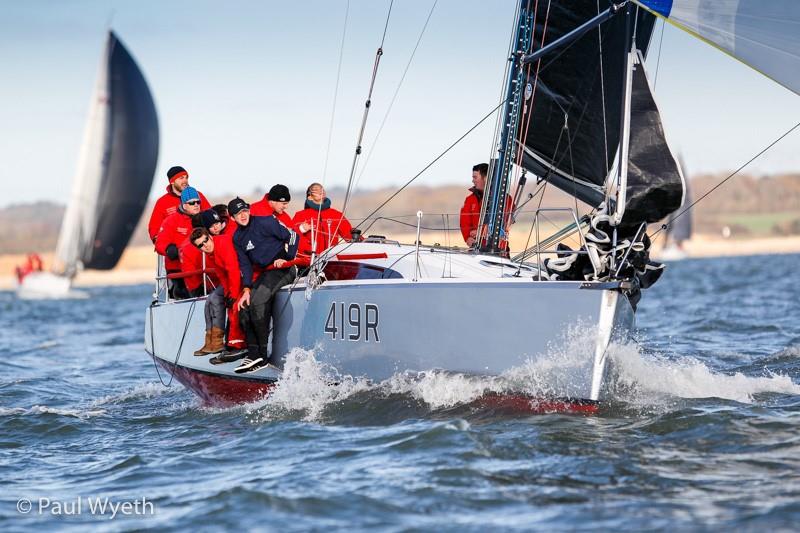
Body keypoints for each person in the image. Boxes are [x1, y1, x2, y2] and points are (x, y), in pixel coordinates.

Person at [231, 197, 299, 373]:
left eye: (245, 211)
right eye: (238, 214)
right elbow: (245, 265)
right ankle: (253, 353)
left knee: (259, 300)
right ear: (233, 218)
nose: (243, 215)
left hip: (284, 269)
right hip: (266, 273)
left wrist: (288, 258)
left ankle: (262, 354)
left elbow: (292, 235)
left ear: (249, 210)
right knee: (244, 306)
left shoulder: (265, 222)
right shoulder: (237, 237)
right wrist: (246, 289)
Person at [155, 186, 203, 299]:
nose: (196, 205)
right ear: (184, 205)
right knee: (181, 293)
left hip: (201, 269)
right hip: (178, 269)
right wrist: (168, 249)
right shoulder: (171, 221)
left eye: (198, 202)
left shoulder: (204, 219)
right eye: (192, 203)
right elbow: (160, 242)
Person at [147, 166, 210, 243]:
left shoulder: (197, 195)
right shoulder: (162, 202)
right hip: (173, 248)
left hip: (198, 244)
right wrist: (159, 241)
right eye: (181, 178)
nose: (185, 181)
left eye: (186, 177)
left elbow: (210, 215)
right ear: (172, 181)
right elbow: (154, 227)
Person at [292, 183, 353, 262]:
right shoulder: (300, 215)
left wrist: (365, 242)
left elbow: (350, 235)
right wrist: (301, 229)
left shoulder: (336, 214)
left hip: (330, 261)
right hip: (308, 262)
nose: (321, 191)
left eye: (322, 189)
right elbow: (292, 235)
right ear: (310, 197)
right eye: (316, 190)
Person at [459, 163, 513, 250]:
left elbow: (505, 222)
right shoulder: (469, 200)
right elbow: (464, 223)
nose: (472, 180)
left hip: (498, 248)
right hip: (476, 248)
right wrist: (467, 238)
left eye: (475, 177)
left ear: (485, 178)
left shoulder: (505, 199)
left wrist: (480, 232)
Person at [179, 209, 223, 298]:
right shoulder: (192, 245)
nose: (216, 228)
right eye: (212, 225)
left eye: (217, 224)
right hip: (210, 286)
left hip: (205, 286)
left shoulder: (186, 244)